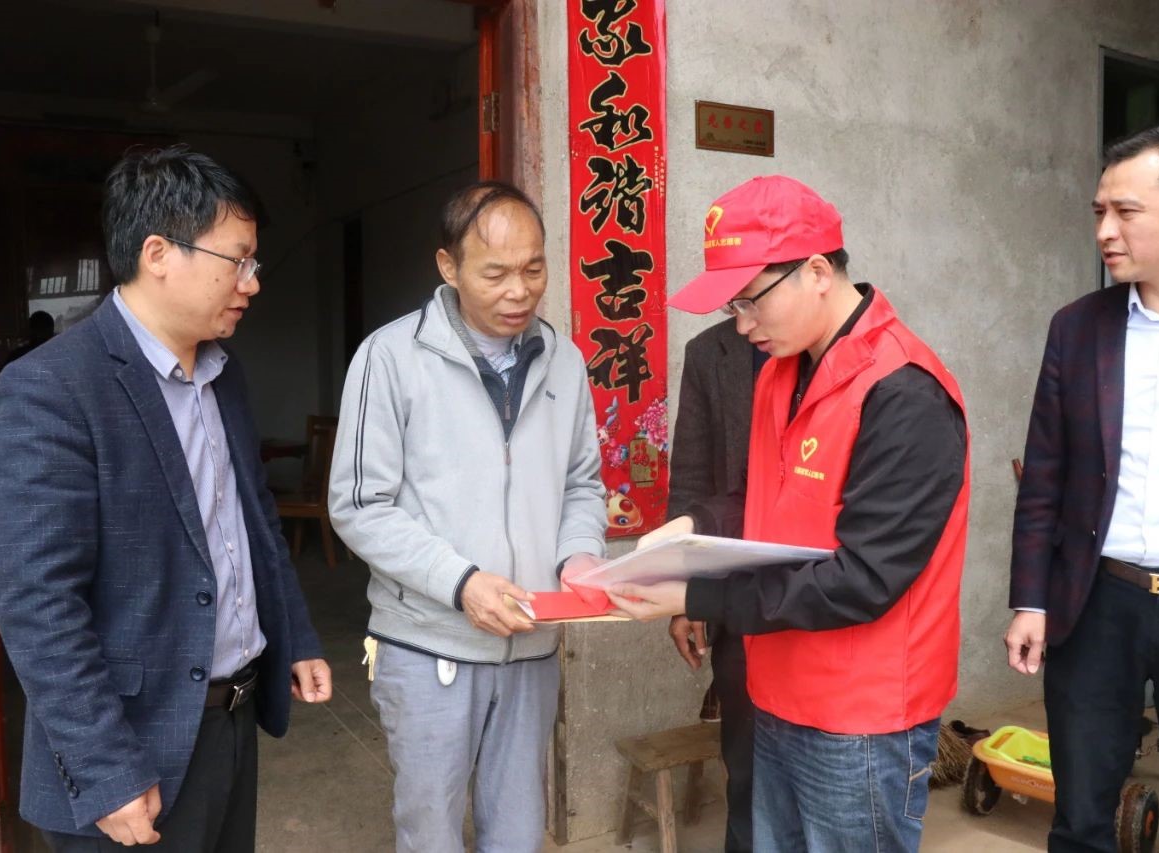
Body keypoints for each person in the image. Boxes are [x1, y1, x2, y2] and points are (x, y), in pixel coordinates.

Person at [607, 175, 969, 852]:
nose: (742, 324)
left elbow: (861, 580)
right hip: (775, 687)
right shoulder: (782, 371)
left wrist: (693, 596)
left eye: (751, 301)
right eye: (734, 305)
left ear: (818, 272)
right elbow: (764, 498)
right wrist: (690, 528)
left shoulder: (903, 393)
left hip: (857, 718)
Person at [0, 146, 332, 852]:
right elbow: (38, 602)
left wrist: (293, 635)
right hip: (130, 750)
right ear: (158, 253)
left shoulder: (223, 373)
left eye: (253, 262)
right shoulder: (53, 386)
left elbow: (253, 521)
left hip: (230, 719)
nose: (252, 283)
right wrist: (105, 769)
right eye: (238, 260)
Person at [328, 181, 606, 853]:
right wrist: (462, 583)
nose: (520, 291)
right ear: (448, 267)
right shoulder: (390, 357)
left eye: (534, 268)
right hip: (430, 646)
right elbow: (359, 505)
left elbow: (581, 483)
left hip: (532, 642)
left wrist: (578, 557)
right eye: (496, 273)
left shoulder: (564, 360)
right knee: (431, 832)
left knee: (518, 831)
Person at [1005, 121, 1159, 852]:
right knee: (1079, 822)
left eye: (1126, 212)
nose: (1105, 230)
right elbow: (1045, 476)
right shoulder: (1078, 328)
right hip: (1097, 601)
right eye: (1099, 211)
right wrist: (1031, 599)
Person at [665, 318, 760, 853]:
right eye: (734, 302)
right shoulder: (711, 352)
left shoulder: (843, 350)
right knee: (746, 770)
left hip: (828, 598)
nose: (746, 319)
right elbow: (692, 480)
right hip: (737, 600)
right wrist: (686, 594)